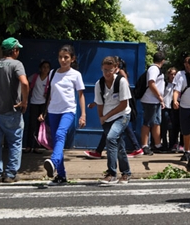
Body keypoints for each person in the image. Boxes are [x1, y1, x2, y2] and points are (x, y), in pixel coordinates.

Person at [0, 37, 29, 184]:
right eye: (18, 49)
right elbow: (25, 83)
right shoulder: (17, 64)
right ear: (14, 51)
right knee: (15, 142)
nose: (18, 52)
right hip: (12, 111)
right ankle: (10, 174)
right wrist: (24, 102)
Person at [40, 44, 86, 185]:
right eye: (60, 57)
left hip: (68, 110)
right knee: (56, 142)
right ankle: (61, 176)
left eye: (66, 57)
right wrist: (44, 111)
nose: (63, 60)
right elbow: (49, 94)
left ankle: (53, 162)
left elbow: (81, 95)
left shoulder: (75, 75)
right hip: (53, 111)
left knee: (61, 134)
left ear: (72, 59)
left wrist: (83, 114)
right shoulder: (53, 73)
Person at [95, 56, 133, 184]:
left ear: (116, 69)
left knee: (111, 138)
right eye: (105, 70)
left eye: (110, 70)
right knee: (119, 145)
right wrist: (102, 118)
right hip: (107, 117)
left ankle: (111, 173)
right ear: (101, 68)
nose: (107, 73)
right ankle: (126, 173)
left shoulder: (121, 82)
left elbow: (123, 104)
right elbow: (99, 104)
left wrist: (106, 116)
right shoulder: (99, 84)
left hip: (122, 115)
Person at [139, 52, 167, 155]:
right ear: (163, 60)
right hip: (150, 100)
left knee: (156, 122)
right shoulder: (154, 69)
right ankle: (145, 145)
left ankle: (157, 144)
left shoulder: (155, 69)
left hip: (155, 100)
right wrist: (159, 96)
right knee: (148, 123)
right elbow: (151, 83)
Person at [24, 60, 51, 154]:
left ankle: (37, 146)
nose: (45, 69)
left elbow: (51, 93)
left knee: (40, 126)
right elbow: (26, 84)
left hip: (43, 104)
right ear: (40, 68)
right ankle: (28, 146)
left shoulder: (49, 79)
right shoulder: (35, 77)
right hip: (34, 103)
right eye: (44, 67)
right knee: (32, 125)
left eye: (47, 67)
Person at [160, 66, 176, 152]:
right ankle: (164, 144)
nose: (173, 76)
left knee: (172, 127)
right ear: (168, 75)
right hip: (165, 106)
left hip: (173, 107)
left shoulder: (177, 84)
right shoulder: (165, 83)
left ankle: (172, 145)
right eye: (171, 74)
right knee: (164, 126)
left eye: (174, 74)